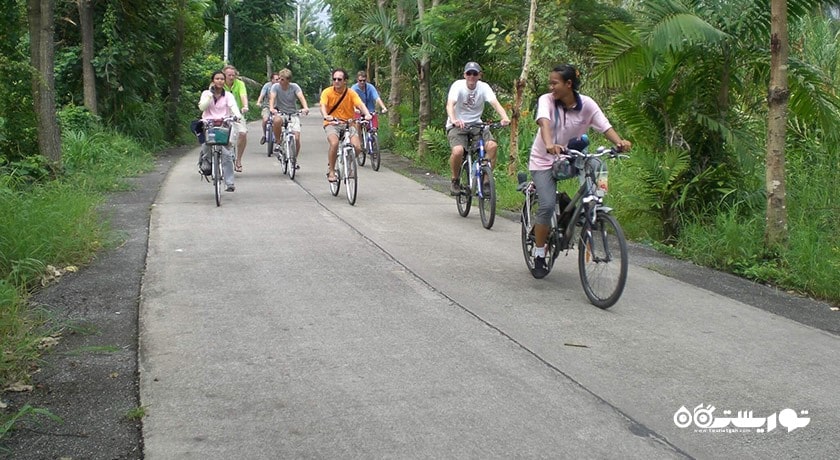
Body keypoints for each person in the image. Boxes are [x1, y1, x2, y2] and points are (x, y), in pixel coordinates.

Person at [528, 64, 632, 278]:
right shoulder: (546, 100)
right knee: (547, 206)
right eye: (550, 83)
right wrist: (549, 144)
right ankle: (539, 253)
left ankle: (594, 207)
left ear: (568, 84)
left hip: (571, 157)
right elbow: (544, 123)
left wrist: (619, 142)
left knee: (598, 166)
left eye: (554, 83)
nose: (551, 87)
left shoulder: (587, 105)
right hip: (544, 160)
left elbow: (604, 126)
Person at [445, 61, 510, 196]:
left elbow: (495, 103)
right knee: (458, 151)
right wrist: (454, 120)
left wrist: (504, 117)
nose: (472, 77)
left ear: (479, 75)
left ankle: (486, 181)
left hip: (477, 125)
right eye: (469, 73)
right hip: (458, 125)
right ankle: (455, 180)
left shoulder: (484, 87)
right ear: (465, 75)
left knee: (492, 146)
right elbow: (450, 104)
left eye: (475, 74)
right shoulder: (458, 86)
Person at [320, 68, 372, 183]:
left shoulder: (351, 93)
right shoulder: (327, 92)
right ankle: (332, 170)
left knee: (358, 148)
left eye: (339, 79)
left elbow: (360, 104)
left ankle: (348, 164)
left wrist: (367, 114)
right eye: (334, 79)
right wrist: (326, 115)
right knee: (334, 143)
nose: (336, 81)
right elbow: (323, 105)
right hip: (332, 123)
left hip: (349, 123)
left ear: (345, 81)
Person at [198, 70, 243, 192]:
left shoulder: (228, 95)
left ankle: (229, 183)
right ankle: (206, 160)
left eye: (222, 79)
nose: (220, 81)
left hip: (224, 124)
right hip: (209, 123)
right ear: (213, 81)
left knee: (227, 154)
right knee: (206, 144)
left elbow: (233, 106)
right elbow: (202, 107)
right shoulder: (206, 93)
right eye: (217, 79)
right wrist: (210, 95)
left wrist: (237, 116)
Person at [268, 68, 311, 164]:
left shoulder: (294, 87)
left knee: (296, 138)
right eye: (279, 78)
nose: (280, 81)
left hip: (293, 114)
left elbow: (301, 97)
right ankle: (278, 142)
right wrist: (272, 108)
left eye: (282, 79)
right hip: (281, 113)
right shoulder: (275, 87)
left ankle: (294, 160)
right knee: (277, 121)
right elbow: (272, 98)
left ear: (288, 80)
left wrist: (305, 108)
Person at [223, 65, 249, 172]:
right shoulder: (219, 83)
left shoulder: (240, 84)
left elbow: (243, 96)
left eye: (233, 75)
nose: (231, 77)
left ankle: (238, 160)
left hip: (236, 114)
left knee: (243, 133)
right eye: (229, 75)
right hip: (222, 114)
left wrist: (245, 106)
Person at [256, 72, 279, 145]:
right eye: (276, 79)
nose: (277, 81)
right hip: (267, 106)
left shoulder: (280, 86)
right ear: (272, 80)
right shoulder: (267, 86)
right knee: (265, 120)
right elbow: (262, 94)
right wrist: (258, 102)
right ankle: (265, 135)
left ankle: (279, 137)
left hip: (278, 107)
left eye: (278, 79)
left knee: (279, 122)